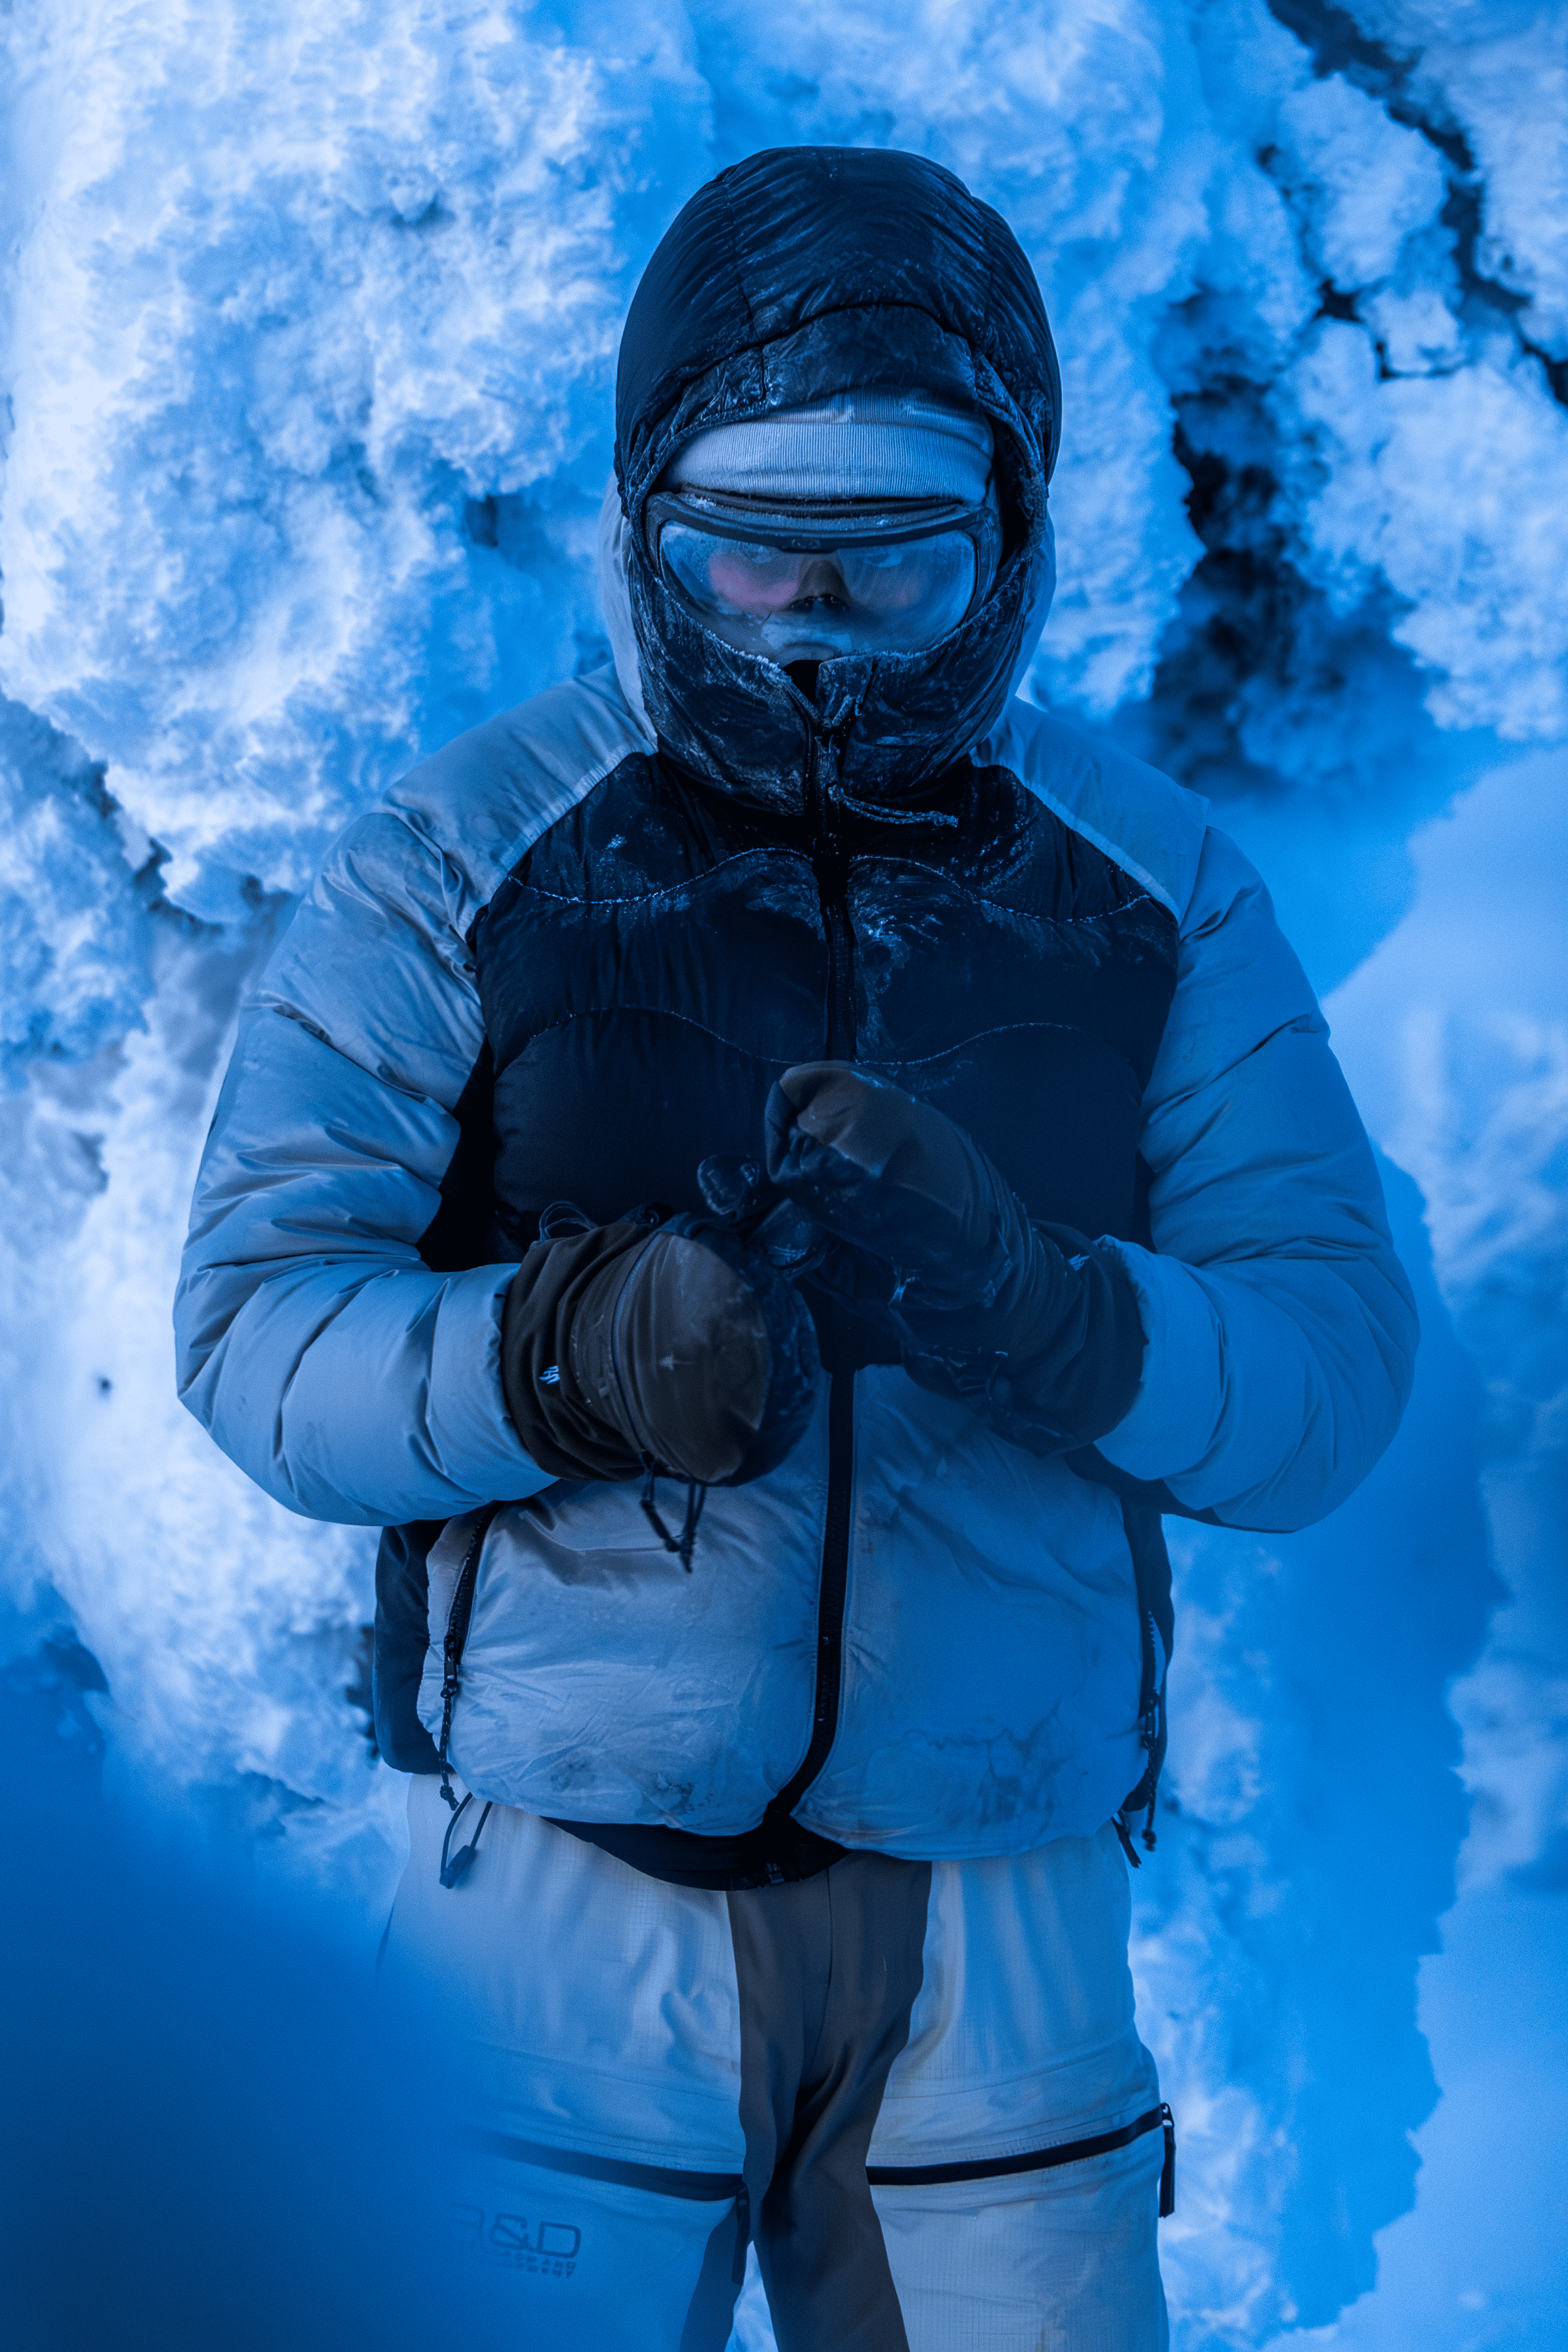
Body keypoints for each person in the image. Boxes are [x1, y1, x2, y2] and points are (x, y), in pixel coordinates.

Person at [175, 146, 1417, 2351]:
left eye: (898, 563)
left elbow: (1322, 1374)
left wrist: (1058, 1316)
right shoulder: (459, 855)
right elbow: (257, 1330)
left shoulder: (1153, 893)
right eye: (745, 555)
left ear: (1009, 540)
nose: (814, 630)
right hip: (556, 1905)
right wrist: (566, 1355)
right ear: (644, 522)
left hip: (999, 1923)